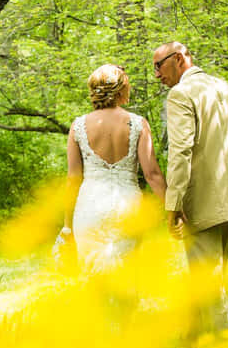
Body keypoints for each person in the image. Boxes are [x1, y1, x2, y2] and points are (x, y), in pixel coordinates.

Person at [152, 42, 228, 329]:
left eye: (158, 66)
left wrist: (173, 204)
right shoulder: (227, 89)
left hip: (203, 205)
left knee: (208, 288)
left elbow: (181, 152)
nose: (156, 75)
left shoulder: (180, 94)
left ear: (179, 59)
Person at [60, 64, 166, 273]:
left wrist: (67, 225)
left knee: (93, 279)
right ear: (120, 90)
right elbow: (152, 174)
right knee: (127, 275)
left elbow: (73, 179)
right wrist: (173, 208)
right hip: (127, 208)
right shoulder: (138, 124)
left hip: (89, 208)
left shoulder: (78, 126)